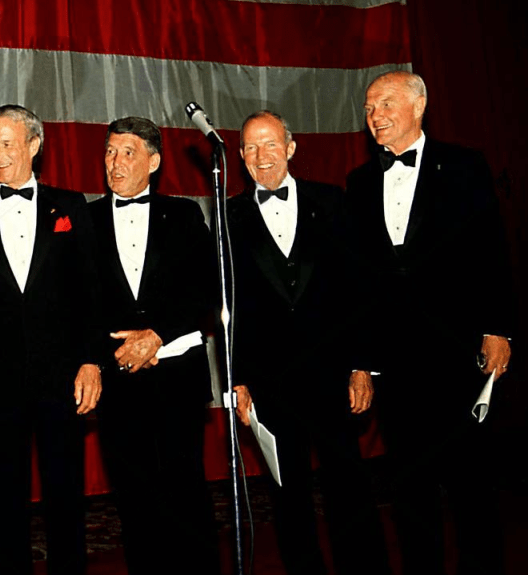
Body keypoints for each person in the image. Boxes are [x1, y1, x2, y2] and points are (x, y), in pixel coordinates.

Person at [347, 70, 514, 575]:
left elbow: (491, 250)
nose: (375, 115)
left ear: (419, 105)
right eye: (369, 107)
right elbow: (359, 280)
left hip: (458, 352)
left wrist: (497, 329)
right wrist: (361, 362)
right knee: (409, 487)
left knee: (470, 483)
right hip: (397, 364)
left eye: (386, 103)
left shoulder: (464, 165)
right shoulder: (358, 182)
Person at [229, 111, 391, 575]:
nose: (262, 155)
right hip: (270, 380)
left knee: (349, 487)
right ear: (240, 156)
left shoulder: (332, 201)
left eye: (270, 144)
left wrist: (362, 365)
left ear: (291, 148)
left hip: (333, 373)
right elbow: (229, 306)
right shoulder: (228, 216)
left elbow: (359, 289)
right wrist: (239, 381)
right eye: (251, 147)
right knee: (288, 495)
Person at [0, 104, 100, 575]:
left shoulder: (71, 206)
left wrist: (91, 361)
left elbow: (91, 292)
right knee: (5, 500)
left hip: (62, 379)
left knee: (66, 496)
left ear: (34, 145)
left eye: (7, 143)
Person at [87, 116, 220, 574]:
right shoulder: (85, 221)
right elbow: (78, 302)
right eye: (109, 152)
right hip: (118, 379)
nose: (115, 162)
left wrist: (156, 335)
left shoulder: (184, 215)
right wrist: (110, 355)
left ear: (154, 162)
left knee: (186, 494)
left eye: (127, 153)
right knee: (134, 501)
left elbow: (207, 289)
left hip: (177, 377)